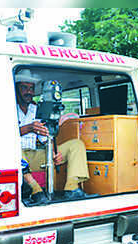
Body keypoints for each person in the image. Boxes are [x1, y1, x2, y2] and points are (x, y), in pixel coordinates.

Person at [15, 69, 93, 204]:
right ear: (16, 89)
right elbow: (2, 135)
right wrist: (29, 128)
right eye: (24, 88)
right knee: (12, 147)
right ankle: (36, 191)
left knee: (76, 144)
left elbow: (45, 137)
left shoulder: (37, 109)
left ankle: (71, 189)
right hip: (16, 158)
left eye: (31, 88)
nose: (29, 92)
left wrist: (54, 152)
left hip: (36, 155)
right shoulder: (8, 107)